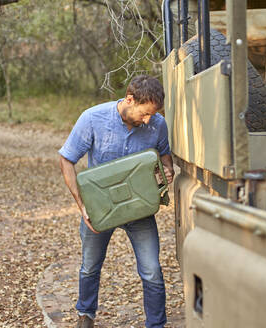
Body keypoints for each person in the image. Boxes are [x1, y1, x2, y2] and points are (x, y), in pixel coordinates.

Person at [58, 75, 174, 328]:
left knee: (152, 270)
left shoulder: (157, 124)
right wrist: (82, 205)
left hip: (140, 210)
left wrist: (167, 172)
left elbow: (165, 157)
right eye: (144, 114)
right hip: (101, 211)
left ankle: (156, 324)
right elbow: (67, 159)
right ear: (129, 99)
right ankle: (85, 315)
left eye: (152, 115)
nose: (148, 120)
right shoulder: (92, 118)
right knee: (90, 267)